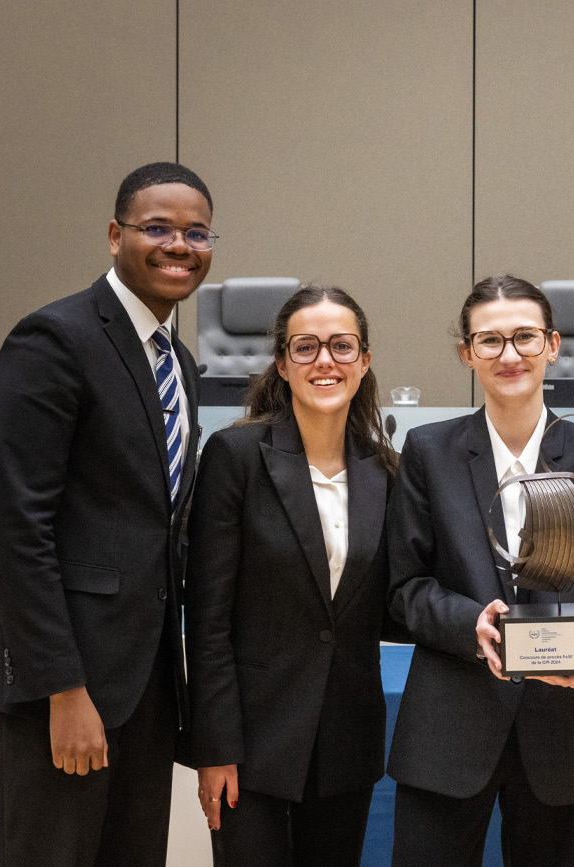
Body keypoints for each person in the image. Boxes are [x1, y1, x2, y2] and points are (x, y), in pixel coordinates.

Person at [0, 162, 213, 866]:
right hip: (62, 682)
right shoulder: (54, 339)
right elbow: (16, 527)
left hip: (145, 685)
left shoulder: (178, 363)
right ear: (114, 234)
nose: (178, 245)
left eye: (196, 232)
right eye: (157, 227)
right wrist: (63, 688)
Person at [385, 276, 574, 867]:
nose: (510, 355)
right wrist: (470, 621)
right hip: (449, 729)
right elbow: (405, 587)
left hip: (564, 733)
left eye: (524, 337)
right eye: (489, 341)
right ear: (467, 354)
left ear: (552, 344)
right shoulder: (428, 450)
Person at [184, 286, 398, 866]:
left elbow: (393, 601)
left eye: (341, 346)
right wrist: (215, 747)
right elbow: (207, 619)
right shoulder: (235, 457)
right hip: (251, 743)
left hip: (345, 744)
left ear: (365, 361)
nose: (325, 361)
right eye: (306, 348)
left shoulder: (385, 471)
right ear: (282, 364)